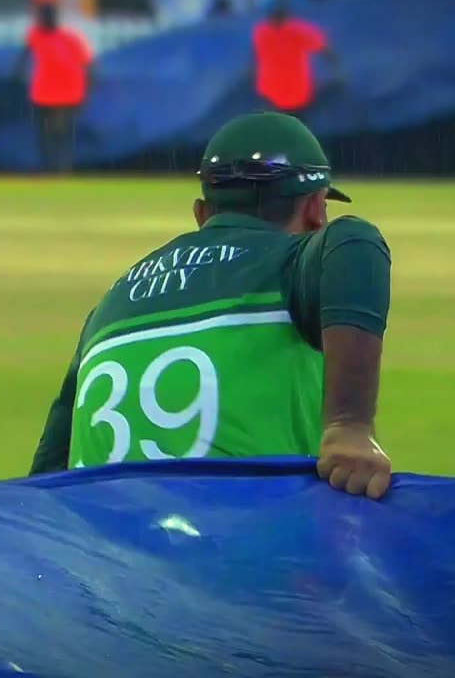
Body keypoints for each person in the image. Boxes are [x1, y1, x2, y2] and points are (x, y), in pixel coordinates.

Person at [29, 112, 393, 500]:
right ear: (316, 211)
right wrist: (349, 427)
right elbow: (355, 242)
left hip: (109, 551)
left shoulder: (110, 304)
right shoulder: (288, 266)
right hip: (240, 548)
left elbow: (45, 479)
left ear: (202, 214)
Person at [15, 4, 93, 174]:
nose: (42, 21)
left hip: (66, 94)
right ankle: (51, 170)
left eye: (45, 16)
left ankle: (60, 170)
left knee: (60, 136)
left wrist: (86, 92)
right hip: (47, 94)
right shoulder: (37, 35)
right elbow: (21, 62)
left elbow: (89, 66)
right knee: (49, 136)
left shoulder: (71, 38)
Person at [252, 3, 338, 116]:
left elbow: (255, 60)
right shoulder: (298, 30)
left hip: (272, 98)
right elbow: (325, 50)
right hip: (297, 97)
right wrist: (337, 67)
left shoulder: (261, 32)